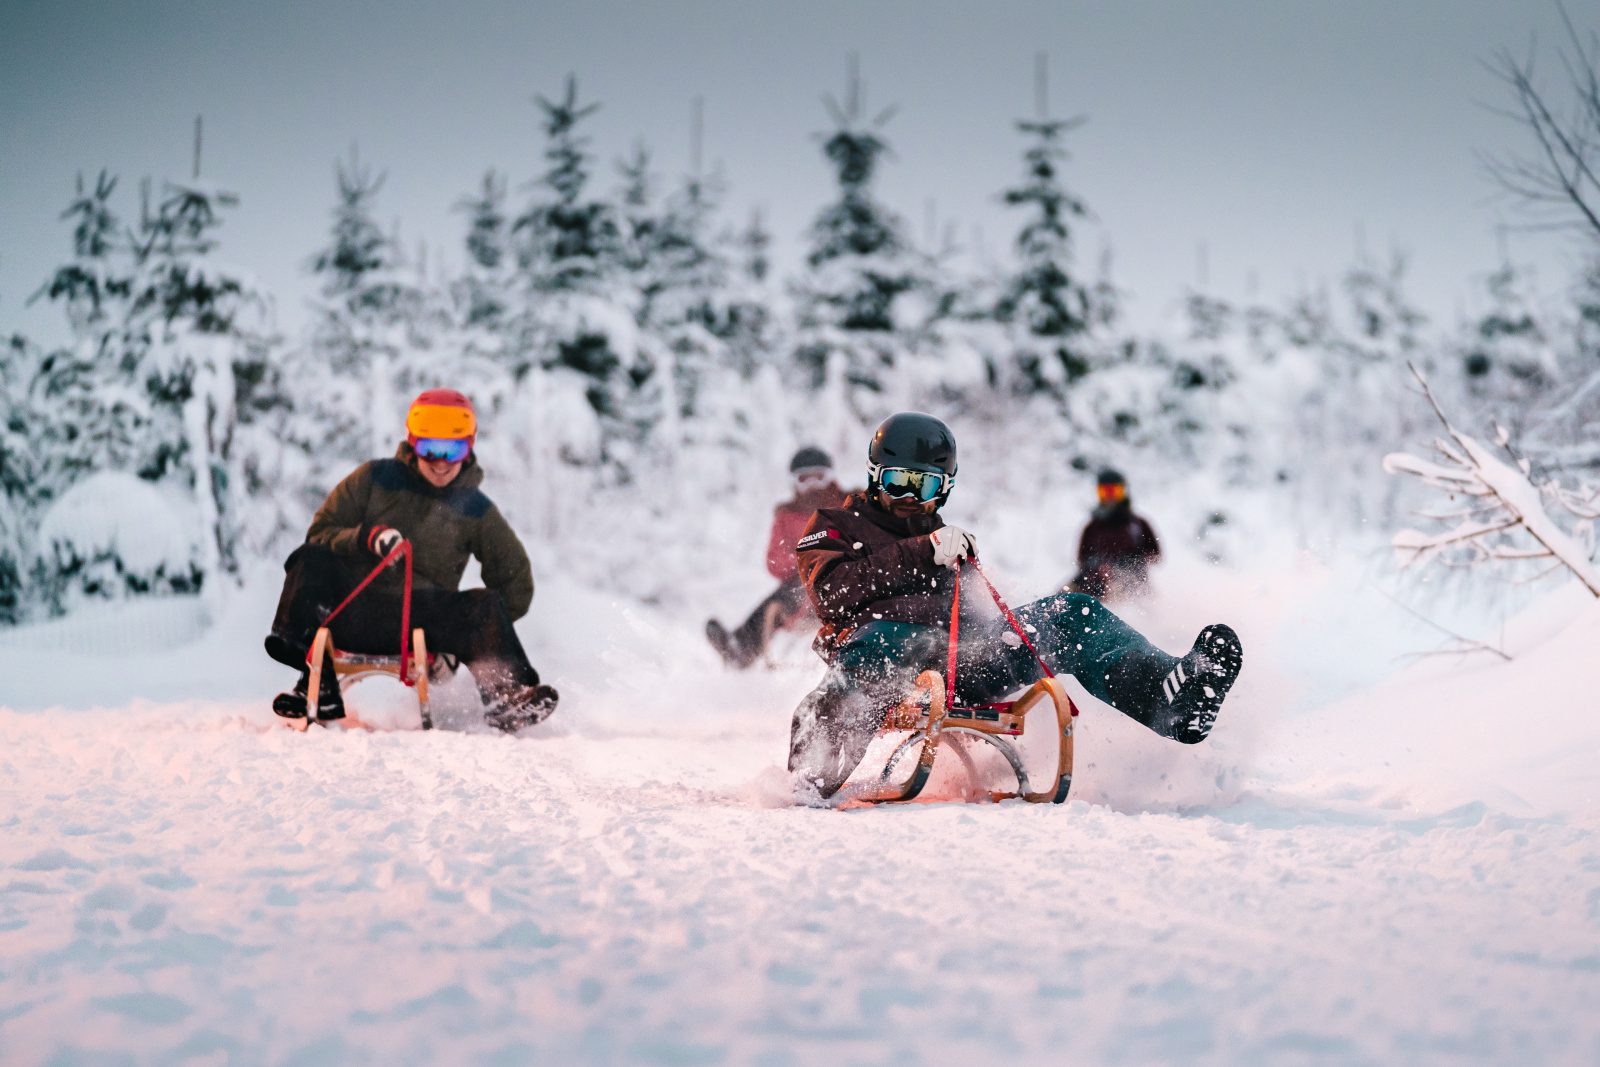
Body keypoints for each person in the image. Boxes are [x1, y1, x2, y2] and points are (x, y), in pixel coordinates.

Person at [787, 412, 1243, 801]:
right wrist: (922, 550)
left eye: (921, 485)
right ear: (873, 474)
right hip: (882, 657)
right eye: (895, 481)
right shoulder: (835, 525)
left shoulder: (948, 544)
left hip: (959, 664)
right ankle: (816, 769)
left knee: (1072, 613)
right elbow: (831, 592)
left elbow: (970, 621)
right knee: (890, 640)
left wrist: (990, 618)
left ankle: (1168, 697)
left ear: (943, 488)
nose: (907, 496)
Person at [264, 388, 558, 732]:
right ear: (412, 442)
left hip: (423, 618)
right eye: (430, 448)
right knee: (309, 558)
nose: (441, 462)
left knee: (485, 603)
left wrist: (466, 641)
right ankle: (314, 677)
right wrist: (364, 538)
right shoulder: (373, 479)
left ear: (470, 447)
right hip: (355, 607)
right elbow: (320, 532)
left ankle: (507, 697)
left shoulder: (476, 509)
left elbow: (515, 581)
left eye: (454, 449)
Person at [706, 446, 850, 668]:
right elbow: (775, 563)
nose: (813, 487)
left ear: (830, 478)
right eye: (805, 480)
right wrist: (802, 559)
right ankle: (740, 648)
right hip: (802, 594)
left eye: (819, 478)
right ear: (795, 483)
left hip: (850, 583)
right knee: (783, 596)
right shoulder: (787, 516)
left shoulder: (849, 506)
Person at [1069, 469, 1162, 599]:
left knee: (1120, 590)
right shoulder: (1092, 527)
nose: (1110, 497)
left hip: (1132, 587)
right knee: (1067, 593)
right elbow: (1082, 560)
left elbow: (1156, 556)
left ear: (1123, 492)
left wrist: (1128, 563)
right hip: (1096, 587)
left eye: (1114, 491)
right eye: (1104, 492)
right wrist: (1098, 566)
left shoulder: (1138, 525)